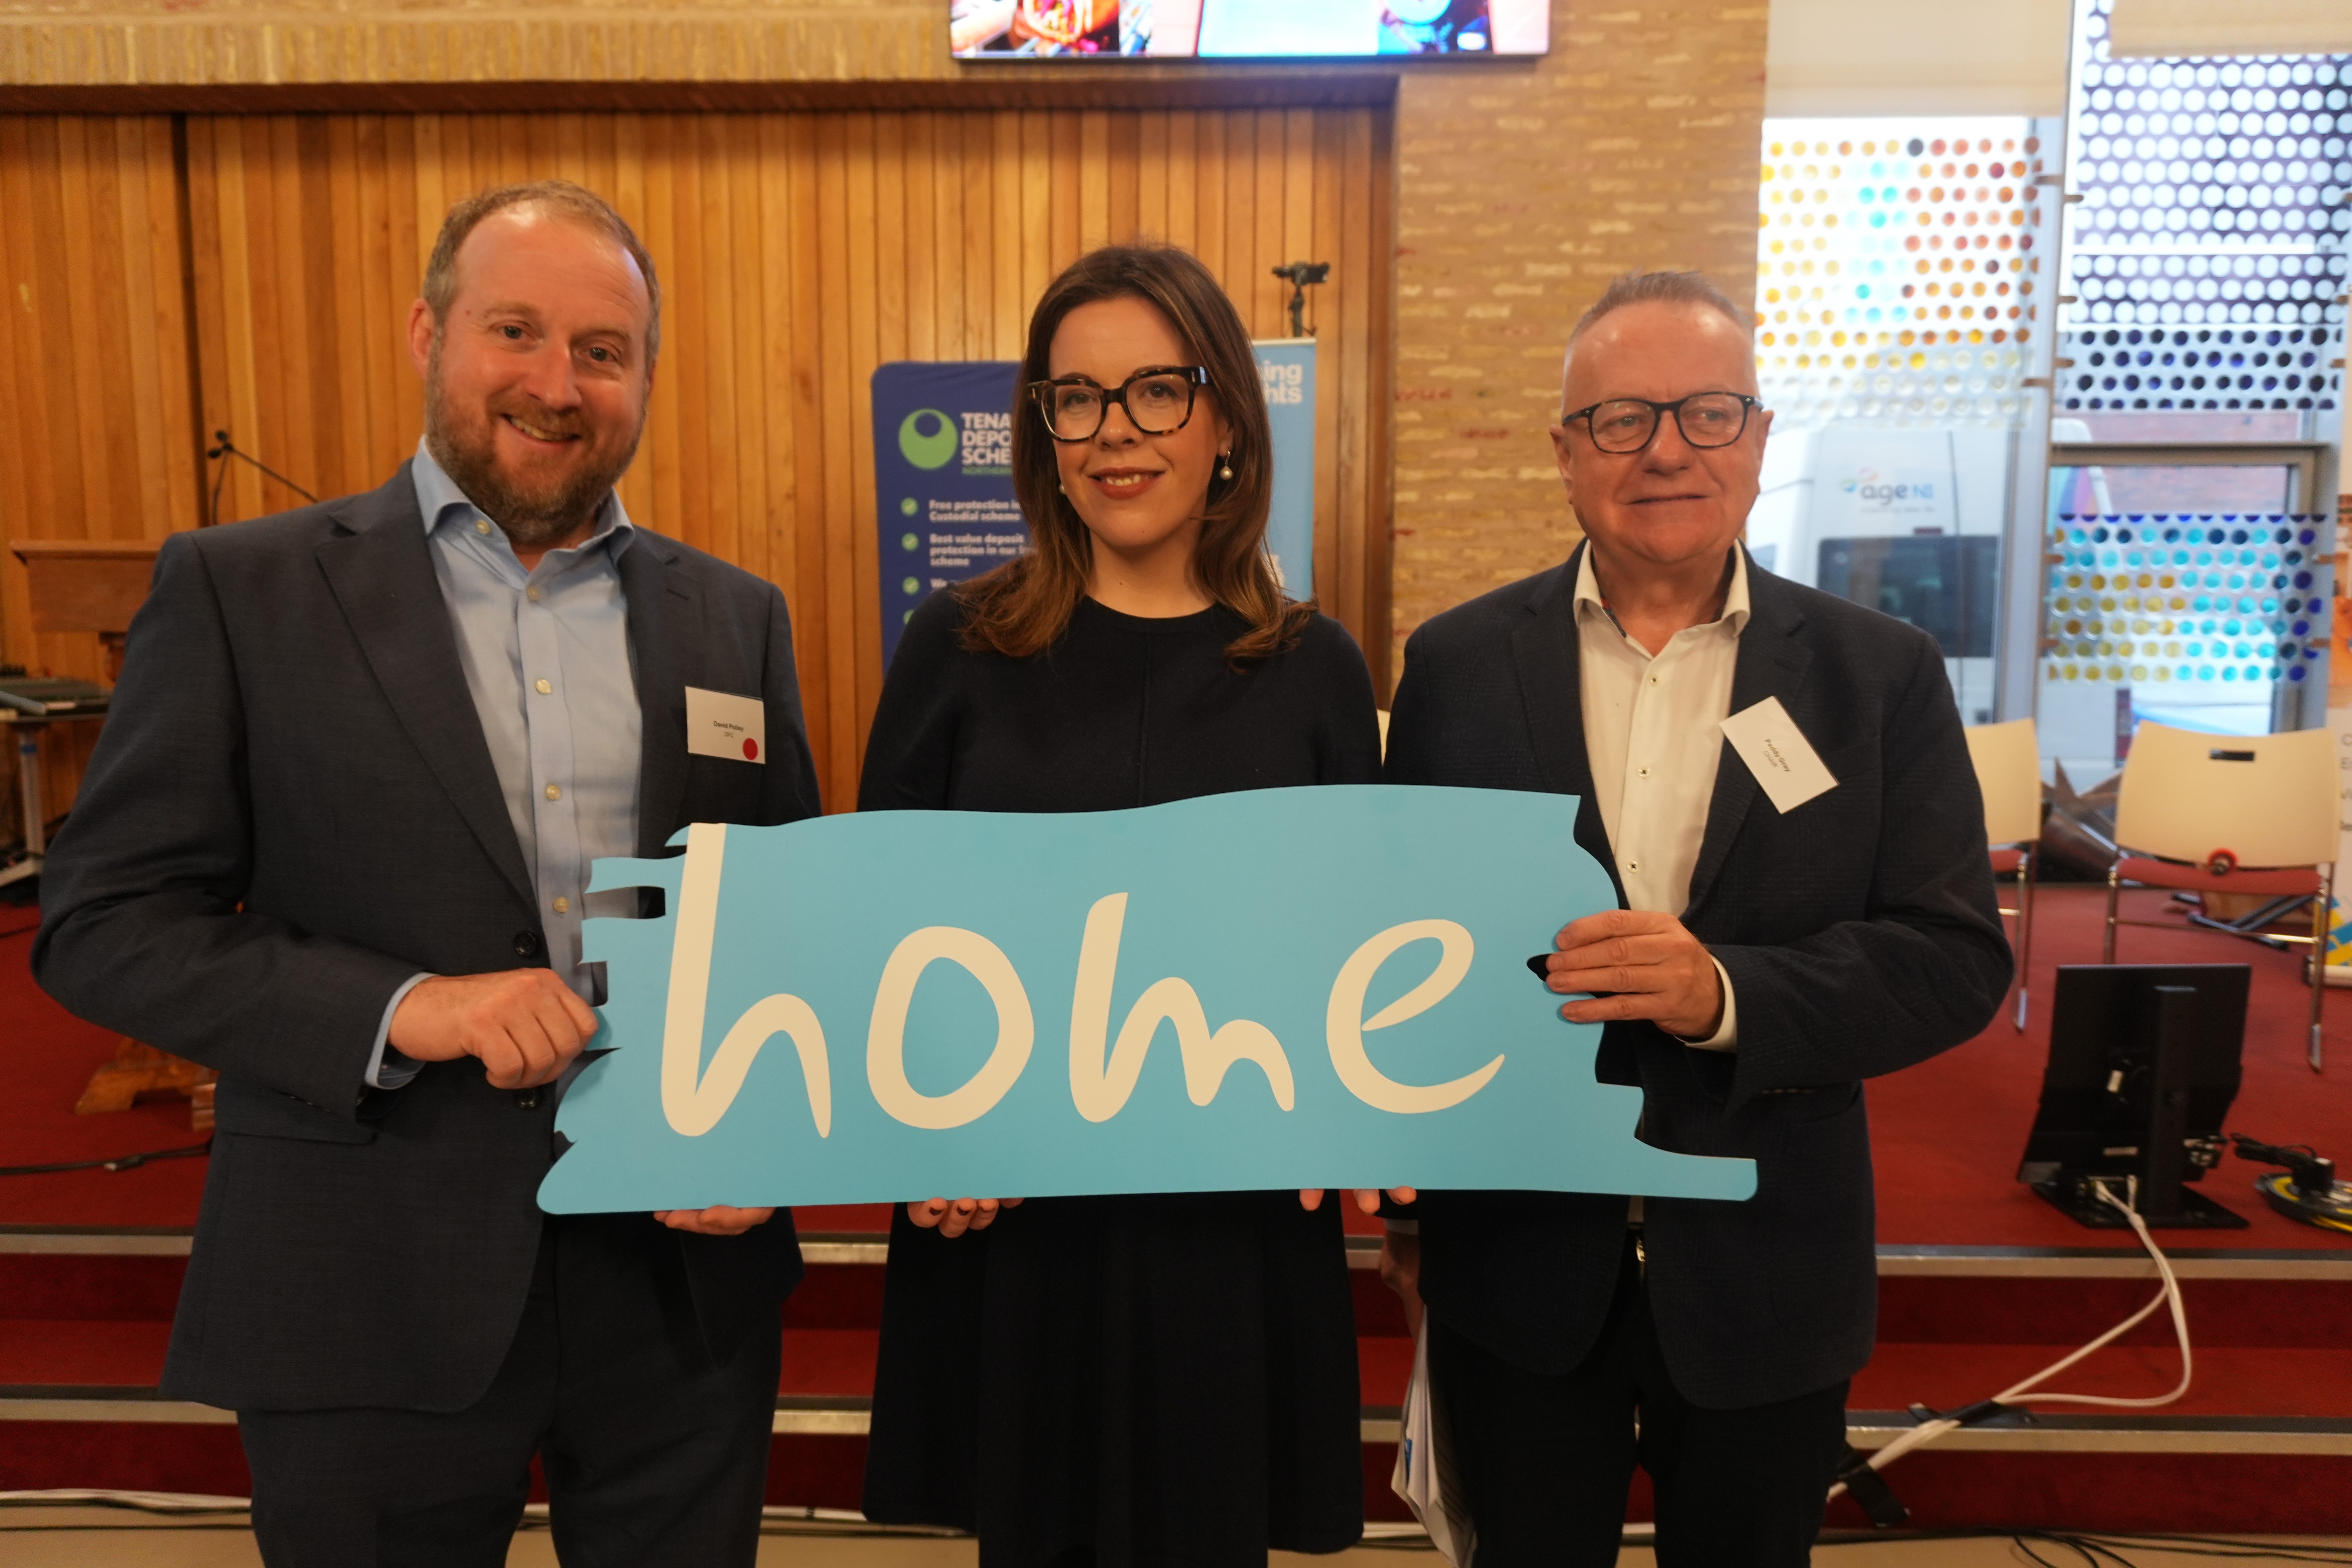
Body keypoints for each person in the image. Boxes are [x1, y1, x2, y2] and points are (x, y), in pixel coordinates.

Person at [34, 180, 821, 1568]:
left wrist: (766, 1129)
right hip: (365, 1269)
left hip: (678, 1286)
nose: (556, 385)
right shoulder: (242, 591)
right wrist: (410, 1008)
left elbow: (780, 923)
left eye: (602, 350)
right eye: (515, 331)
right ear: (427, 334)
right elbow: (103, 922)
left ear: (645, 375)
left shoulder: (734, 618)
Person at [1379, 270, 2011, 1567]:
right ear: (1566, 455)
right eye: (1620, 419)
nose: (1666, 450)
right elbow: (1399, 942)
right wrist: (1404, 1206)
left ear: (1760, 438)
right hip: (1519, 1265)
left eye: (1708, 413)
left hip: (1766, 1266)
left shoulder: (1876, 676)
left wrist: (1725, 993)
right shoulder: (1456, 667)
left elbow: (1953, 957)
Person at [857, 243, 1380, 1568]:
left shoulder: (1314, 668)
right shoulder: (958, 645)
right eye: (1076, 398)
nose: (1113, 432)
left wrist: (1354, 1099)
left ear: (1227, 422)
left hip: (1234, 1228)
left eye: (1157, 390)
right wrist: (925, 1132)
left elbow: (1356, 947)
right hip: (1016, 1216)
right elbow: (885, 928)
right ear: (1042, 431)